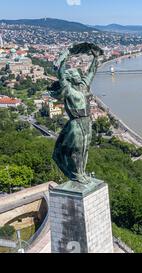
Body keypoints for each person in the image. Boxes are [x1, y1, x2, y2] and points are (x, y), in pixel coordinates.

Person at [51, 47, 99, 184]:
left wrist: (95, 58)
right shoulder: (68, 90)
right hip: (76, 123)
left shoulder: (83, 87)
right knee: (76, 150)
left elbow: (91, 73)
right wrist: (63, 61)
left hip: (87, 122)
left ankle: (82, 173)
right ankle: (76, 174)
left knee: (85, 149)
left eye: (78, 73)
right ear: (71, 79)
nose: (78, 75)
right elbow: (61, 76)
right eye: (75, 74)